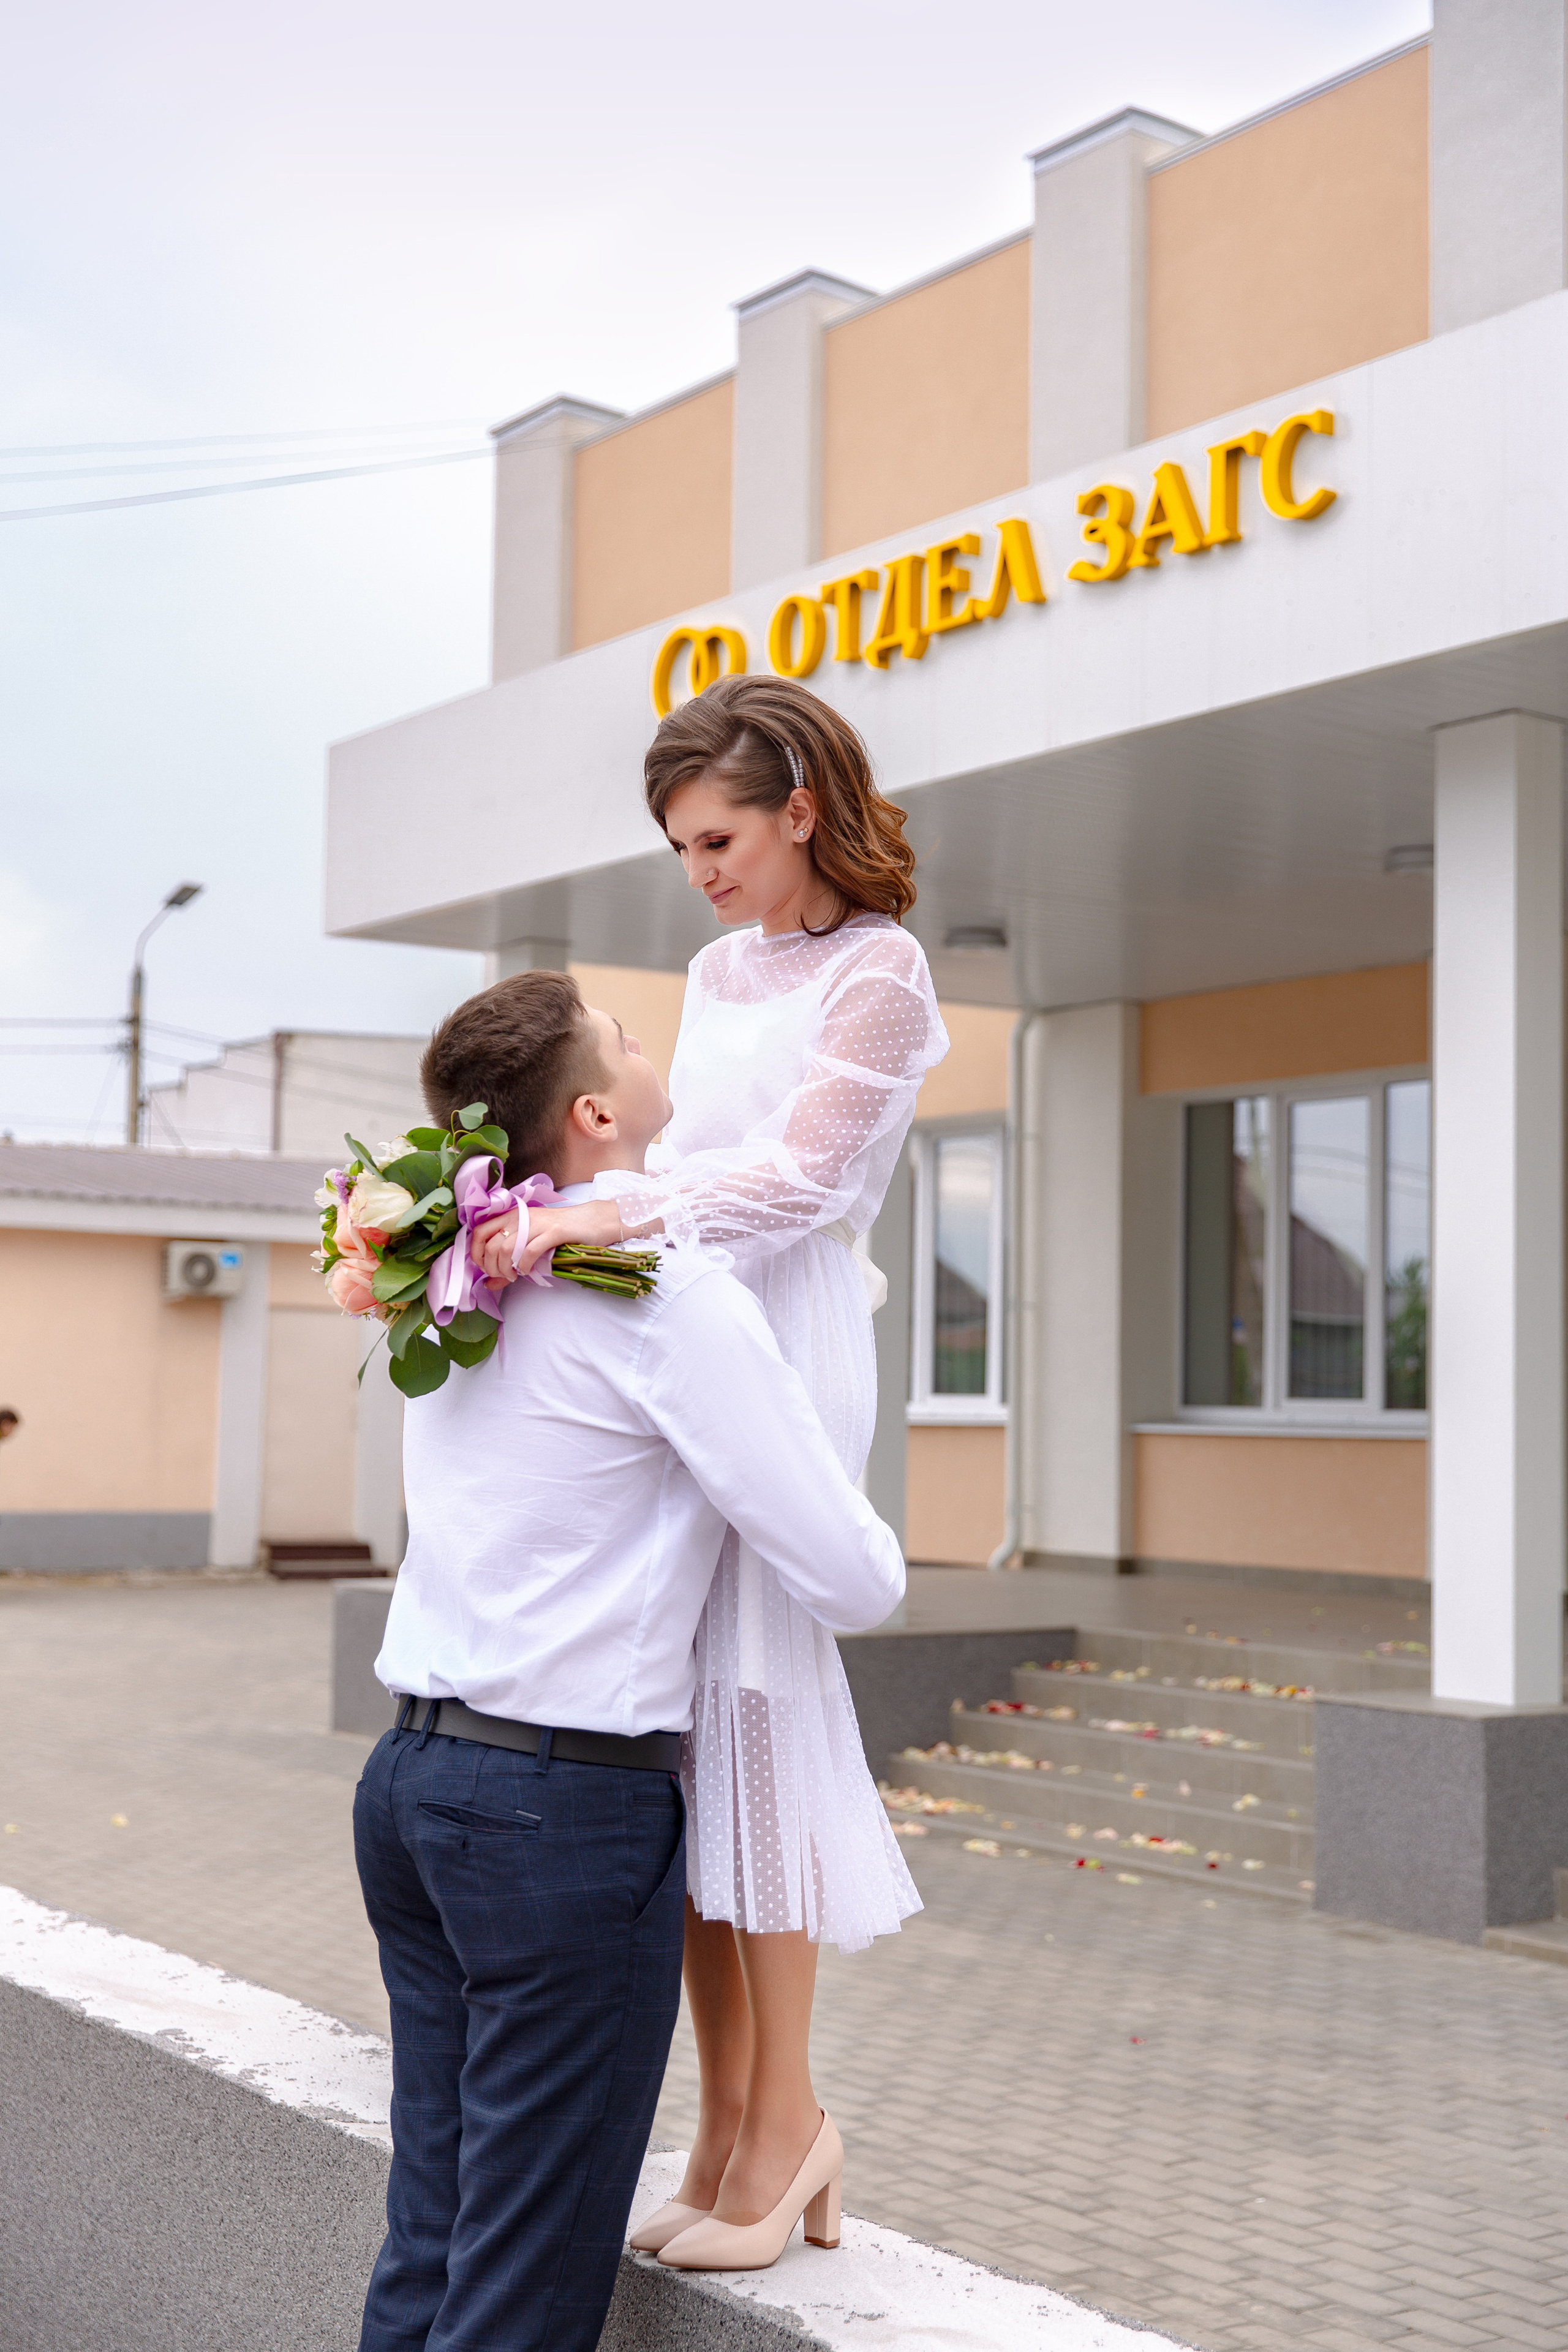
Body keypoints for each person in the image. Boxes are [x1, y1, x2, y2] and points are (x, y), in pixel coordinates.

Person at [354, 968, 905, 2352]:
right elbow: (854, 1580)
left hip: (410, 1783)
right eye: (625, 1039)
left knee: (433, 2231)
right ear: (597, 1115)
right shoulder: (658, 1288)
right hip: (556, 1819)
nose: (655, 1046)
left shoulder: (457, 1279)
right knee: (520, 2288)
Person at [472, 677, 948, 2269]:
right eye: (681, 848)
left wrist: (592, 1219)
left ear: (799, 810)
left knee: (757, 1711)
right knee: (678, 1740)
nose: (701, 873)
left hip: (787, 1343)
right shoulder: (716, 966)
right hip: (684, 1329)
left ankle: (789, 2121)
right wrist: (574, 1226)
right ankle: (728, 2117)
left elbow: (798, 1182)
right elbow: (678, 1160)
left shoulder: (884, 973)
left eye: (719, 840)